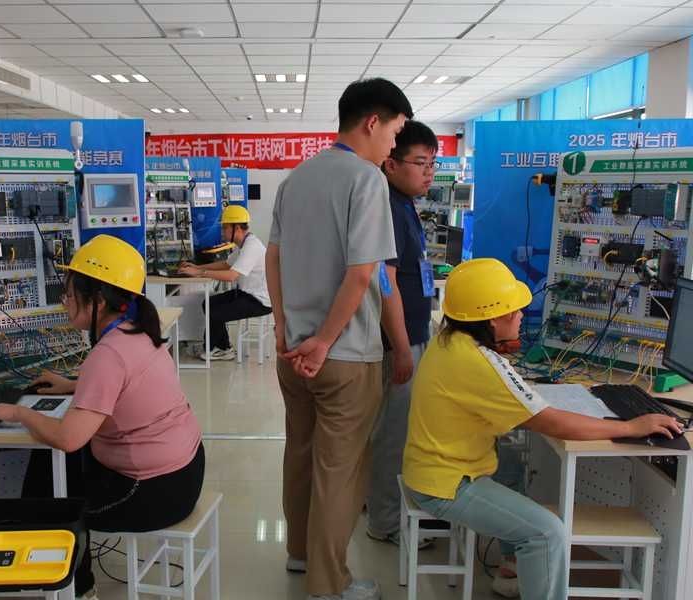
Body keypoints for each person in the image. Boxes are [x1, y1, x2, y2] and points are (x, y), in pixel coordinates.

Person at [402, 258, 681, 600]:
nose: (521, 316)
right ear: (492, 319)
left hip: (431, 466)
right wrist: (630, 427)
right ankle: (526, 562)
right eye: (514, 310)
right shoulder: (476, 363)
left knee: (511, 466)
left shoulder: (451, 340)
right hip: (445, 485)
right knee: (547, 533)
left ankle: (511, 568)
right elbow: (551, 422)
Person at [0, 234, 205, 600]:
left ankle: (77, 587)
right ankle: (66, 576)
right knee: (52, 467)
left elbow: (69, 438)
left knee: (52, 485)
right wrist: (73, 385)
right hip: (184, 472)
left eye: (69, 294)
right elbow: (126, 385)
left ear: (97, 301)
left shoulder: (108, 354)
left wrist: (18, 412)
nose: (64, 302)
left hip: (151, 492)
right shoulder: (139, 331)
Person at [266, 77, 413, 600]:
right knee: (341, 471)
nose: (393, 145)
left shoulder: (295, 179)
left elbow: (273, 257)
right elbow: (364, 273)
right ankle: (330, 585)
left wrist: (283, 325)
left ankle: (300, 554)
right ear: (372, 122)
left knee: (300, 454)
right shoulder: (367, 180)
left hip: (293, 352)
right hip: (343, 355)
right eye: (394, 132)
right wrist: (326, 341)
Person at [367, 120, 439, 546]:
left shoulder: (404, 204)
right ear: (391, 164)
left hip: (410, 334)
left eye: (433, 164)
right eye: (420, 163)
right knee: (393, 433)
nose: (429, 173)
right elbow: (385, 281)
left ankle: (375, 504)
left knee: (394, 428)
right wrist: (402, 348)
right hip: (399, 341)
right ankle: (386, 522)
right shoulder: (391, 209)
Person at [180, 204, 271, 361]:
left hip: (259, 301)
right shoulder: (243, 244)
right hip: (246, 294)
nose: (222, 231)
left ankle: (215, 348)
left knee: (215, 312)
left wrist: (199, 273)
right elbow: (226, 264)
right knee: (209, 303)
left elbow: (231, 276)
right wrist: (197, 267)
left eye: (225, 227)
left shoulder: (252, 246)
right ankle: (223, 347)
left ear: (237, 228)